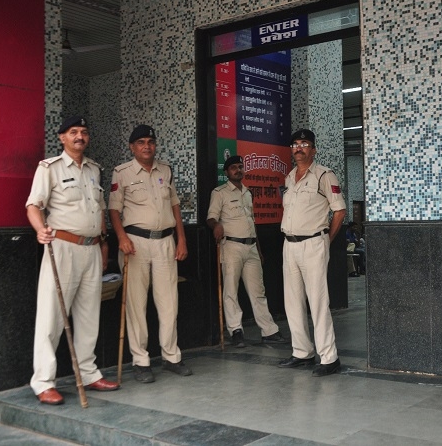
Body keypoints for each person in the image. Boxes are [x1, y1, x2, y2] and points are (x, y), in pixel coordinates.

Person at [26, 116, 119, 405]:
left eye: (84, 132)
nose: (80, 136)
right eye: (73, 132)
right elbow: (33, 205)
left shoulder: (94, 169)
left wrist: (103, 244)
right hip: (62, 247)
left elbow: (99, 210)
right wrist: (40, 229)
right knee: (52, 316)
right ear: (62, 137)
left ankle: (89, 374)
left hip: (91, 249)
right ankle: (44, 382)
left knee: (89, 315)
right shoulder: (49, 168)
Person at [108, 125, 192, 383]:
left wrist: (181, 239)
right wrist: (121, 237)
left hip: (165, 241)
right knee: (136, 304)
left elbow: (175, 205)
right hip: (135, 243)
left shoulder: (165, 170)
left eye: (151, 142)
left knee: (169, 302)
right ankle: (141, 361)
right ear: (132, 147)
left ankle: (171, 356)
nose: (147, 146)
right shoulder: (121, 172)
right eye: (141, 142)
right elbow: (113, 210)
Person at [278, 129, 346, 377]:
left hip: (314, 243)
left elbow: (339, 211)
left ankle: (329, 357)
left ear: (313, 150)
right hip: (289, 244)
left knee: (318, 302)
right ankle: (302, 352)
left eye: (304, 144)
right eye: (295, 144)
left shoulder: (324, 175)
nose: (299, 148)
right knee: (292, 301)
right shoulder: (289, 178)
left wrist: (327, 239)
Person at [206, 155, 287, 348]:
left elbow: (252, 223)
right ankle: (236, 331)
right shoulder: (219, 193)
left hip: (251, 248)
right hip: (231, 246)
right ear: (226, 172)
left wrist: (258, 249)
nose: (238, 170)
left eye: (240, 167)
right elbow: (210, 218)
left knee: (258, 291)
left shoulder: (248, 192)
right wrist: (216, 225)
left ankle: (269, 331)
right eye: (233, 167)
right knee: (231, 291)